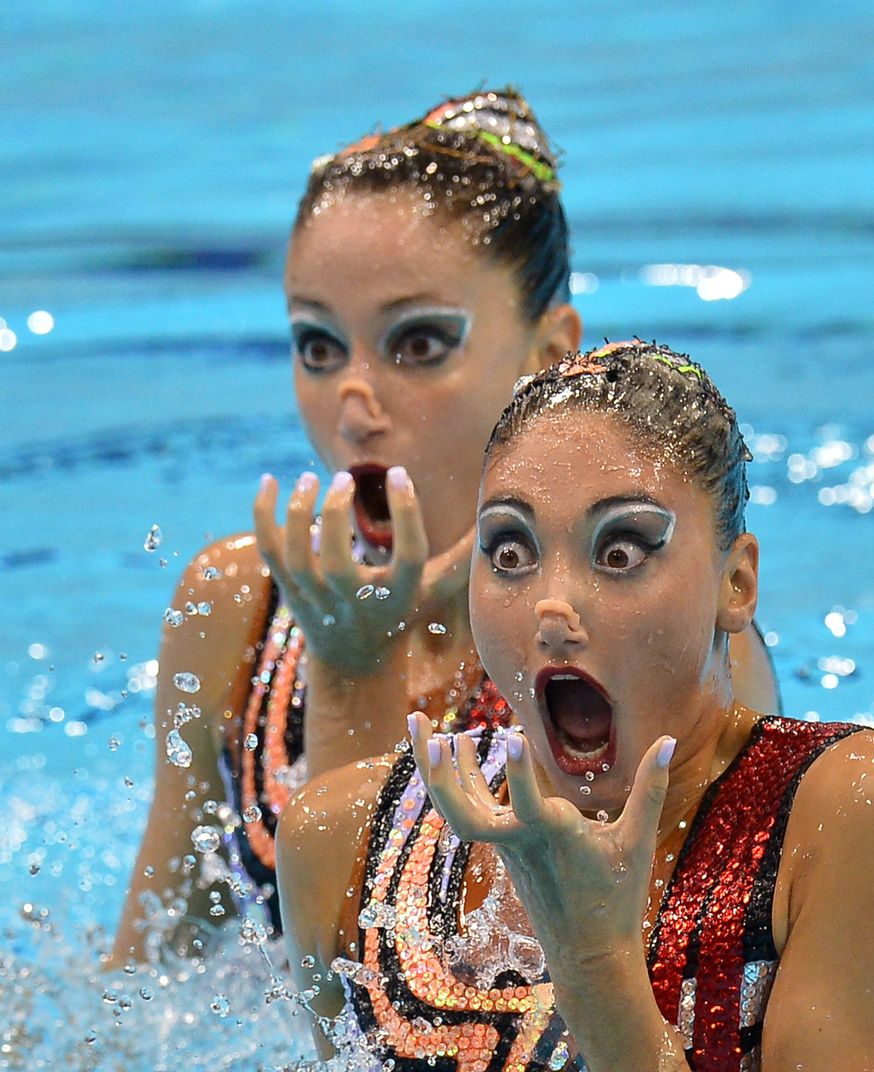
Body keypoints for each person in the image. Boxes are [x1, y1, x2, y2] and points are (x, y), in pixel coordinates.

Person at [109, 92, 784, 966]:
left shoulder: (649, 638)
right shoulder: (241, 609)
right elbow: (146, 982)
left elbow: (610, 1021)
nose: (354, 400)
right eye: (318, 345)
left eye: (418, 343)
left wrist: (355, 675)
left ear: (549, 355)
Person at [279, 342, 874, 1071]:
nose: (552, 607)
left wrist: (591, 961)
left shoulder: (860, 825)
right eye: (510, 551)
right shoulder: (343, 841)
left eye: (619, 551)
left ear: (735, 583)